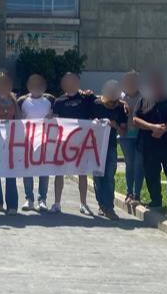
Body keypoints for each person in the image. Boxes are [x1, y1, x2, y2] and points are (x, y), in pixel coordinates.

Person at [133, 71, 167, 209]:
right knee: (151, 173)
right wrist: (153, 127)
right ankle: (156, 200)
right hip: (149, 145)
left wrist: (164, 129)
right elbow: (135, 119)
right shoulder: (144, 100)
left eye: (159, 83)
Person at [51, 72, 97, 214]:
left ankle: (83, 203)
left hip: (83, 142)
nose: (69, 83)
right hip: (64, 142)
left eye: (72, 80)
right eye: (66, 81)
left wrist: (123, 103)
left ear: (77, 82)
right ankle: (57, 203)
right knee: (59, 172)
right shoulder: (58, 101)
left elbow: (103, 104)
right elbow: (54, 120)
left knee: (82, 173)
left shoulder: (87, 98)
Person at [89, 80, 126, 219]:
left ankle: (109, 207)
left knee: (109, 177)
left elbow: (123, 131)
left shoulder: (120, 108)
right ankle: (101, 205)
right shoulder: (95, 104)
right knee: (98, 178)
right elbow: (87, 122)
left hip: (111, 146)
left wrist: (115, 125)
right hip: (95, 147)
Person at [18, 74, 53, 211]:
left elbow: (58, 117)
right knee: (28, 170)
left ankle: (42, 199)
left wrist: (53, 116)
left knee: (44, 170)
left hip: (45, 141)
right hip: (27, 141)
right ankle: (29, 199)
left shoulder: (50, 100)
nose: (36, 87)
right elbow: (16, 119)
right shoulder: (22, 101)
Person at [0, 72, 19, 214]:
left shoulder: (14, 100)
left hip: (10, 141)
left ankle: (12, 204)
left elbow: (19, 119)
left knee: (10, 173)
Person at [119, 71, 144, 206]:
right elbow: (103, 99)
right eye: (129, 81)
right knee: (129, 164)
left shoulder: (144, 97)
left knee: (139, 165)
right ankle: (129, 192)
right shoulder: (120, 97)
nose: (131, 84)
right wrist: (122, 101)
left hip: (140, 136)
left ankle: (137, 194)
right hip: (125, 137)